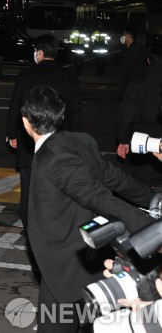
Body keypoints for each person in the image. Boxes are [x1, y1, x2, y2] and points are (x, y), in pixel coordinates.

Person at [22, 85, 155, 332]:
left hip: (66, 262)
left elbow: (97, 196)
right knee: (97, 321)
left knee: (60, 323)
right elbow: (115, 177)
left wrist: (148, 226)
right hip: (92, 255)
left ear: (26, 122)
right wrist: (150, 198)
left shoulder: (54, 159)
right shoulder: (81, 140)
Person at [6, 34, 81, 229]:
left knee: (29, 187)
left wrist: (12, 133)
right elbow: (75, 113)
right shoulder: (69, 77)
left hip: (29, 140)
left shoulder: (26, 76)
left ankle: (30, 227)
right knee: (58, 187)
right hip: (60, 142)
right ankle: (54, 226)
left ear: (39, 53)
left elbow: (15, 107)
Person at [116, 47, 162, 186]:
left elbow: (127, 113)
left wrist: (123, 140)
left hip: (141, 139)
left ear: (148, 61)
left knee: (140, 183)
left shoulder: (139, 83)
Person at [118, 25, 147, 99]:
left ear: (128, 36)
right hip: (127, 85)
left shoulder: (136, 50)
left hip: (131, 88)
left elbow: (138, 69)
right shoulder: (127, 49)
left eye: (123, 35)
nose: (122, 37)